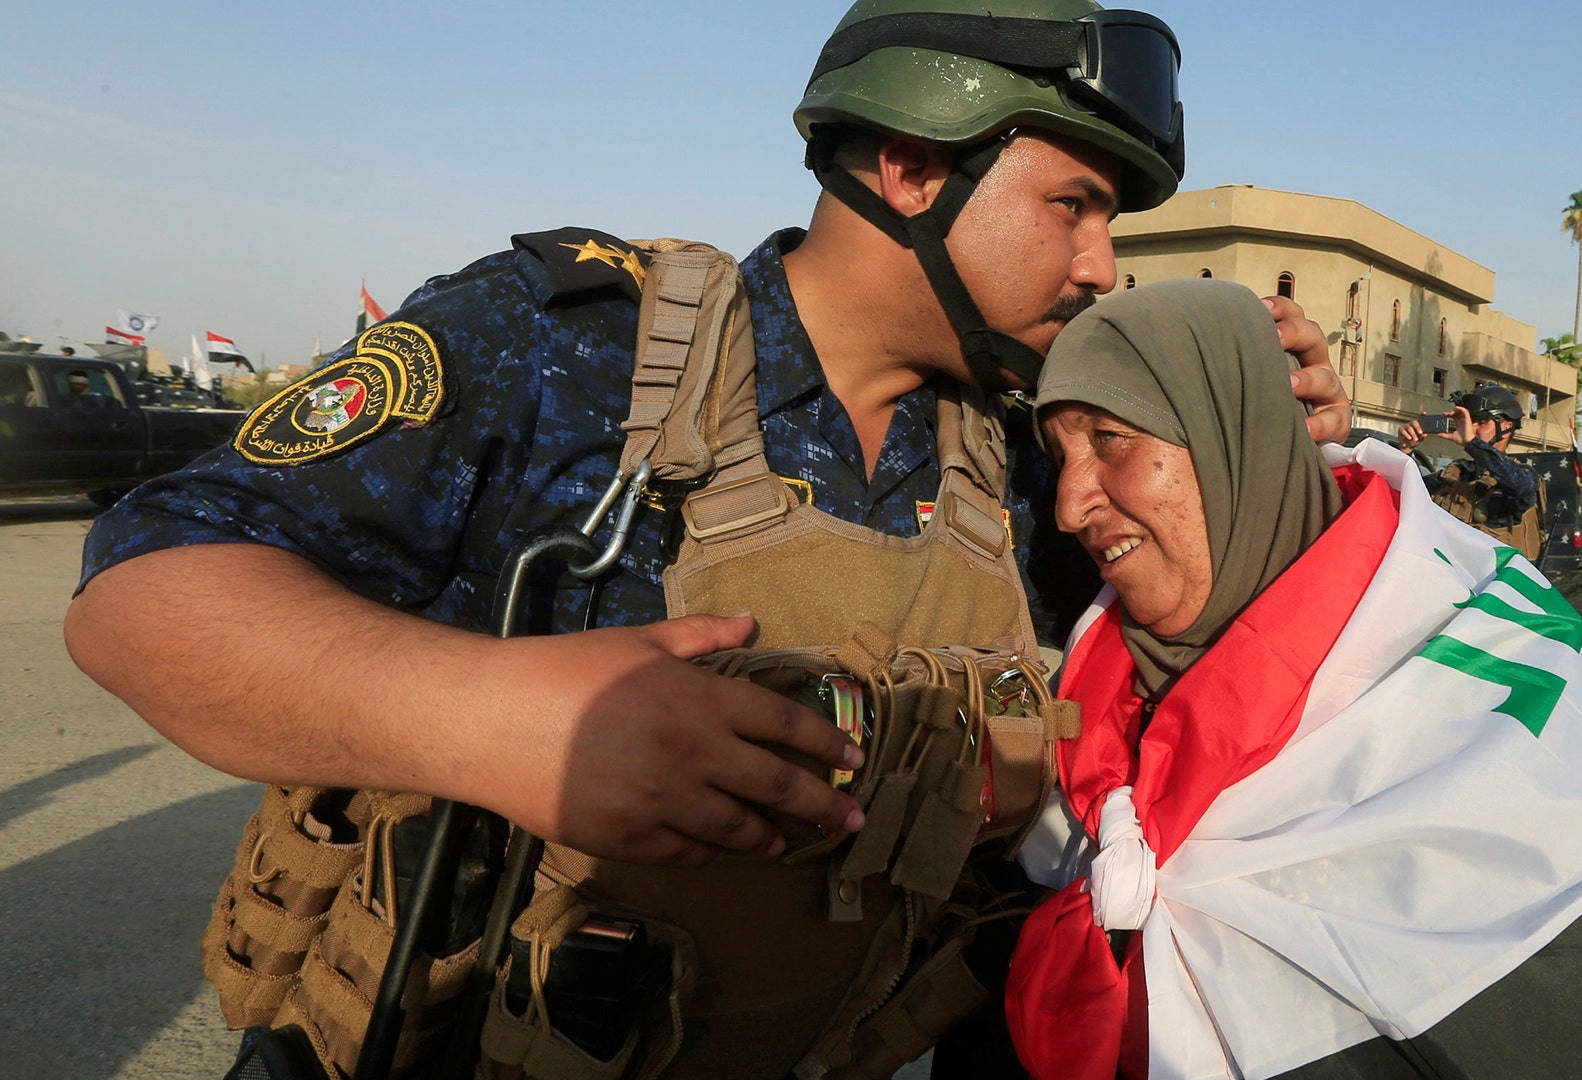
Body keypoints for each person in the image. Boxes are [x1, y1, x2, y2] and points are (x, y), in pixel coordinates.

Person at [61, 3, 1351, 1077]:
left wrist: (1273, 460)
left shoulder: (1022, 456)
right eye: (1072, 203)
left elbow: (1216, 676)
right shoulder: (566, 341)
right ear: (908, 165)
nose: (1098, 263)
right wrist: (497, 721)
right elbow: (145, 592)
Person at [1006, 279, 1582, 1079]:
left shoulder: (1467, 677)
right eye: (1059, 455)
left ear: (1239, 434)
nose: (1068, 506)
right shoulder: (1078, 714)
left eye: (1108, 437)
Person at [1397, 383, 1545, 561]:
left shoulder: (1521, 476)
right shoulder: (1453, 476)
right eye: (1470, 421)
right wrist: (1405, 452)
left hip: (1494, 583)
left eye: (1481, 422)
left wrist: (1472, 443)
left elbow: (1521, 486)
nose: (1472, 428)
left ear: (1507, 426)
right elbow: (1405, 495)